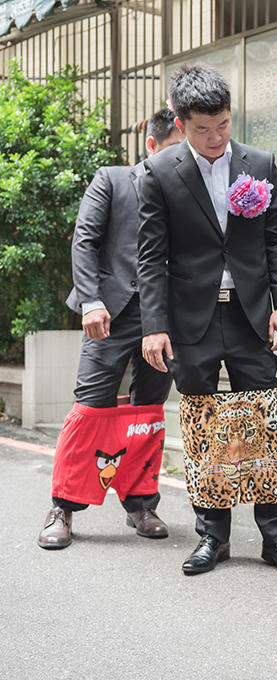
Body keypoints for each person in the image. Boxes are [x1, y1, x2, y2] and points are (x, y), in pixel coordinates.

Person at [137, 65, 277, 579]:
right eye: (201, 130)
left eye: (223, 126)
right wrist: (154, 324)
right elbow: (151, 256)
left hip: (250, 312)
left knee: (263, 421)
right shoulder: (159, 172)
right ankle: (213, 534)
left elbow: (275, 236)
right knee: (203, 423)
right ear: (180, 122)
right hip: (190, 317)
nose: (215, 139)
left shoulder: (258, 163)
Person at [38, 109, 184, 551]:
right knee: (90, 409)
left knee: (148, 412)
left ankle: (141, 504)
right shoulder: (112, 179)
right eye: (175, 152)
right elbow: (84, 240)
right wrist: (92, 301)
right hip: (110, 313)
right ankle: (62, 506)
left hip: (162, 320)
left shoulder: (184, 193)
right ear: (152, 147)